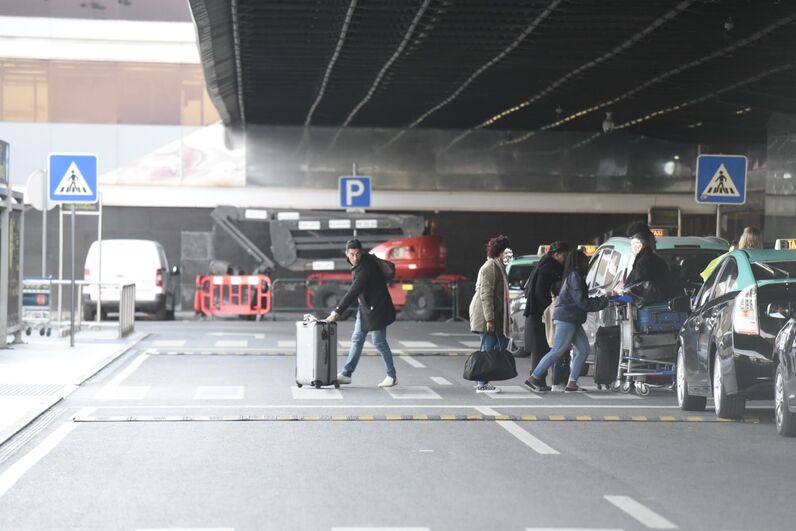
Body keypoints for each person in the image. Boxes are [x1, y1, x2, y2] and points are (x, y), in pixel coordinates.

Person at [525, 250, 609, 392]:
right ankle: (534, 377)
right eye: (585, 261)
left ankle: (572, 382)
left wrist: (602, 301)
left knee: (583, 350)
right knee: (558, 350)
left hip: (572, 318)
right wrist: (603, 301)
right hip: (567, 318)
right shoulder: (575, 277)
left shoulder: (574, 275)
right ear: (579, 261)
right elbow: (582, 302)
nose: (587, 263)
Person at [326, 239, 397, 388]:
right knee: (357, 339)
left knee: (379, 341)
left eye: (358, 254)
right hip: (366, 307)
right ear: (346, 253)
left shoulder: (366, 267)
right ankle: (347, 374)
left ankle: (392, 376)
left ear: (362, 252)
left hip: (377, 308)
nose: (355, 258)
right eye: (352, 254)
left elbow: (353, 291)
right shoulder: (358, 264)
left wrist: (337, 312)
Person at [468, 235, 512, 394]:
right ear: (500, 252)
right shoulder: (490, 268)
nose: (508, 255)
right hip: (485, 314)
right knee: (489, 347)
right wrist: (490, 319)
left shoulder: (499, 267)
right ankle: (482, 383)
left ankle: (483, 380)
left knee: (501, 341)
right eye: (507, 251)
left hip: (494, 313)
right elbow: (486, 295)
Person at [522, 242, 570, 381]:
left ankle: (538, 379)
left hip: (537, 312)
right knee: (541, 347)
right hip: (540, 313)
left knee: (541, 347)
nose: (565, 259)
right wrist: (549, 309)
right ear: (556, 255)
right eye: (564, 256)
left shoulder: (545, 265)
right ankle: (537, 379)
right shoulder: (549, 268)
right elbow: (540, 292)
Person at [624, 231, 670, 305]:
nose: (632, 249)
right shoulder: (659, 260)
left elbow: (636, 288)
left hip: (648, 307)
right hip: (663, 302)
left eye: (633, 245)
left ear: (640, 245)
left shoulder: (642, 263)